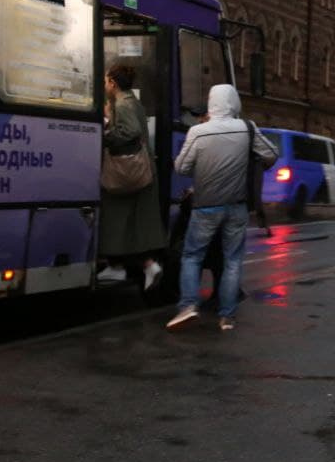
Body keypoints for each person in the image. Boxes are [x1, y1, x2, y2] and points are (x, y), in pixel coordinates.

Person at [167, 84, 276, 332]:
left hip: (205, 205)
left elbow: (181, 167)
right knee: (232, 260)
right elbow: (271, 154)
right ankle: (226, 317)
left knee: (192, 256)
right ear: (235, 102)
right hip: (237, 206)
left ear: (211, 103)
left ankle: (188, 306)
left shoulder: (198, 131)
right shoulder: (247, 128)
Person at [97, 65, 165, 291]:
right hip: (139, 171)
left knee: (113, 217)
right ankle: (147, 265)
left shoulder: (123, 103)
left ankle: (117, 267)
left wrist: (105, 133)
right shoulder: (132, 102)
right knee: (134, 226)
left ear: (113, 83)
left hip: (125, 171)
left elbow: (130, 131)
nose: (105, 85)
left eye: (106, 81)